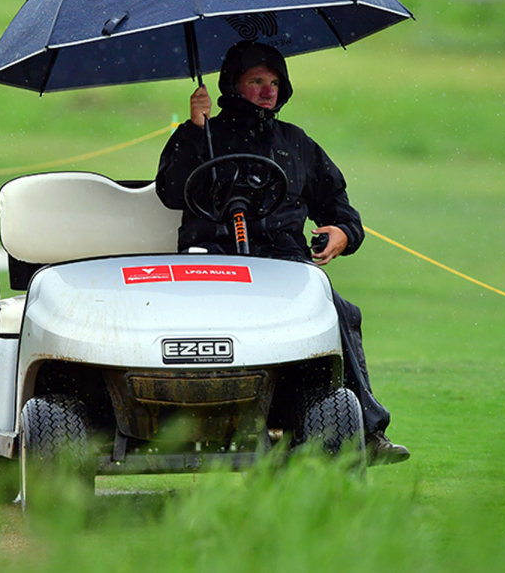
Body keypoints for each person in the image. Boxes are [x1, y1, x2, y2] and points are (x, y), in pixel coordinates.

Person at [155, 40, 409, 465]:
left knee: (340, 309)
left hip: (284, 269)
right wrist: (195, 128)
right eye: (256, 81)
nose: (267, 90)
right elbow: (168, 190)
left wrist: (344, 233)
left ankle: (366, 430)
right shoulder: (202, 134)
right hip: (209, 262)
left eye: (274, 82)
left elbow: (341, 210)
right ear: (232, 86)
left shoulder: (298, 144)